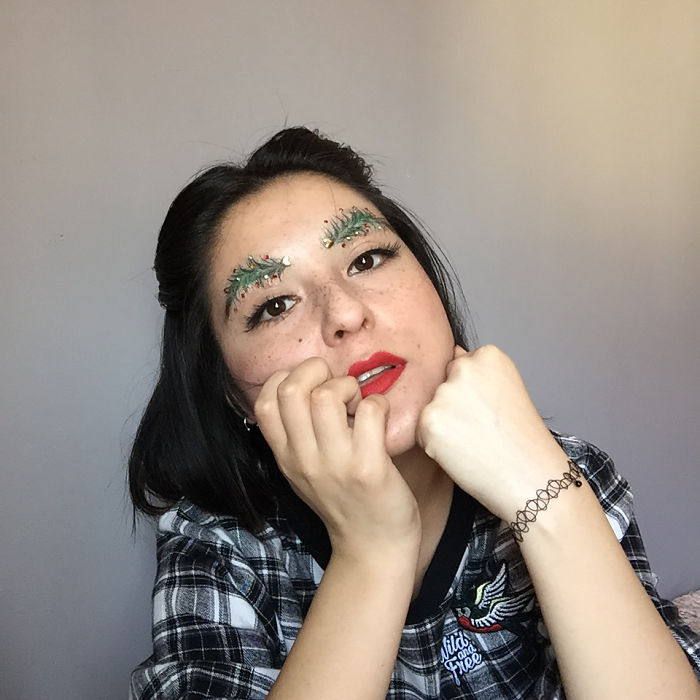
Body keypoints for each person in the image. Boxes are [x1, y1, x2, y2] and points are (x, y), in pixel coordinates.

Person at [129, 127, 700, 699]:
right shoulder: (217, 542)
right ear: (234, 394)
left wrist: (548, 497)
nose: (345, 313)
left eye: (367, 258)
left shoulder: (565, 470)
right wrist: (370, 550)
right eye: (276, 304)